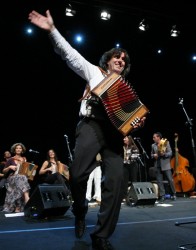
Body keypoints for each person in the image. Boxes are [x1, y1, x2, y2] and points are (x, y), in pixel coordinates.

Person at [28, 10, 146, 250]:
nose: (120, 60)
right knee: (78, 174)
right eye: (116, 57)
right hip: (91, 126)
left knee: (117, 181)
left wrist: (136, 124)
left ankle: (101, 236)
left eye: (124, 59)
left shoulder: (125, 89)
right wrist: (52, 31)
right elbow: (70, 55)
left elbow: (131, 118)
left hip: (113, 135)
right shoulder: (94, 72)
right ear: (107, 60)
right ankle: (80, 209)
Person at [2, 143, 31, 213]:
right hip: (12, 178)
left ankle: (18, 207)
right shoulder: (10, 159)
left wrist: (30, 171)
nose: (18, 149)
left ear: (22, 150)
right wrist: (9, 167)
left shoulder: (24, 159)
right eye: (17, 148)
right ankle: (27, 198)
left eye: (20, 148)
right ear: (14, 150)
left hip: (22, 178)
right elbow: (3, 171)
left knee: (22, 177)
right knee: (21, 177)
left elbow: (26, 171)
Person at [151, 132, 176, 202]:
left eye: (154, 137)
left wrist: (164, 154)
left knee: (170, 180)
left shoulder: (166, 143)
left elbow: (170, 153)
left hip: (165, 164)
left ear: (158, 137)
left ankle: (174, 193)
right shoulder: (153, 145)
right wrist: (154, 155)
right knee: (159, 181)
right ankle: (162, 195)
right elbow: (151, 155)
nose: (153, 139)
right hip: (157, 165)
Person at [122, 135, 140, 203]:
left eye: (125, 138)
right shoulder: (123, 147)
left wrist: (129, 158)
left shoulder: (133, 147)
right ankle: (124, 196)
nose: (124, 139)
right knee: (124, 181)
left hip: (133, 165)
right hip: (125, 166)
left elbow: (136, 155)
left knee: (134, 180)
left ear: (129, 139)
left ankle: (134, 196)